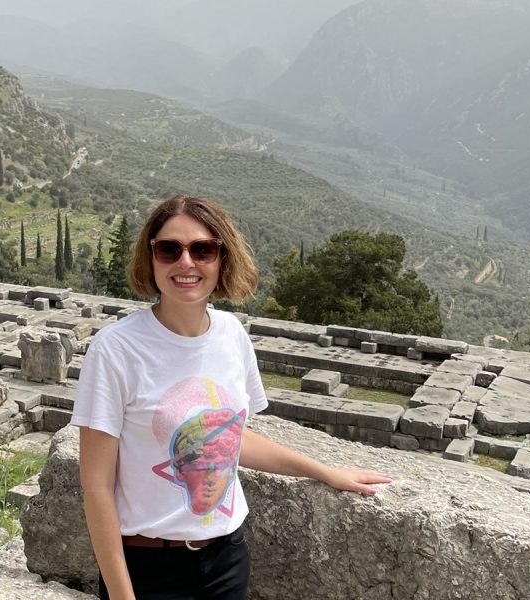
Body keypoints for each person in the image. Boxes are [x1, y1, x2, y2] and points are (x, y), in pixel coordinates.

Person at [72, 195, 391, 600]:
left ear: (221, 258)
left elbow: (231, 441)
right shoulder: (115, 349)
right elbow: (96, 485)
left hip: (226, 557)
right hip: (148, 567)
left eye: (202, 249)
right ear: (150, 259)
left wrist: (324, 471)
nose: (186, 263)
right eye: (169, 249)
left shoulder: (232, 335)